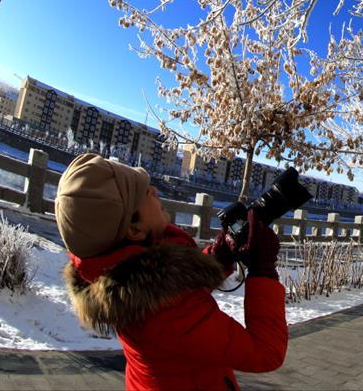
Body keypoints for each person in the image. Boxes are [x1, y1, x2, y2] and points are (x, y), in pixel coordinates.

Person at [55, 153, 288, 390]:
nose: (154, 190)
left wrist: (219, 255)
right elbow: (265, 353)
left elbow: (173, 286)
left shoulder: (118, 272)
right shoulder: (164, 313)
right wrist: (263, 270)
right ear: (134, 229)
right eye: (145, 193)